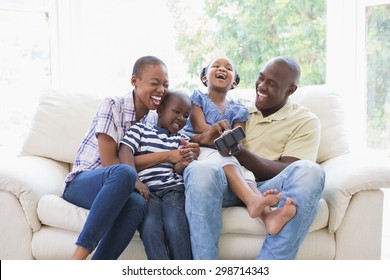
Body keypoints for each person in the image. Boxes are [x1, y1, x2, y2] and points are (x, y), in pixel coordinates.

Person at [183, 56, 325, 260]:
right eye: (261, 78)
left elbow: (289, 169)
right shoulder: (239, 110)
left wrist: (239, 152)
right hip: (225, 185)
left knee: (311, 171)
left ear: (291, 90)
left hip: (270, 187)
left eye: (272, 84)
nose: (262, 87)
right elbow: (187, 130)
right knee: (200, 170)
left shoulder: (305, 120)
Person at [61, 55, 170, 260]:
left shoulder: (154, 120)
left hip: (122, 187)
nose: (161, 90)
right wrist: (136, 178)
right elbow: (110, 162)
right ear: (134, 81)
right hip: (83, 183)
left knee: (137, 204)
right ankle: (75, 261)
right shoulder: (113, 105)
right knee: (124, 173)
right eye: (154, 83)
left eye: (165, 85)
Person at [183, 57, 293, 235]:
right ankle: (255, 202)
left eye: (228, 68)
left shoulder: (238, 109)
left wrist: (230, 140)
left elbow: (238, 138)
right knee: (226, 160)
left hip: (226, 154)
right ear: (204, 78)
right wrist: (218, 136)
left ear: (234, 82)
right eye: (216, 66)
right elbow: (200, 128)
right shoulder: (198, 98)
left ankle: (267, 216)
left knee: (246, 173)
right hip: (202, 149)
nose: (222, 69)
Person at [119, 89, 197, 260]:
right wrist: (135, 181)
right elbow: (125, 151)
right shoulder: (140, 129)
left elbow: (177, 169)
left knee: (175, 226)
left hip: (173, 191)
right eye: (176, 112)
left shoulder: (181, 139)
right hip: (147, 192)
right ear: (160, 109)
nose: (181, 118)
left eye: (186, 115)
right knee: (150, 228)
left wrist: (183, 163)